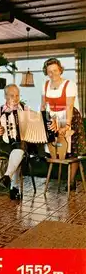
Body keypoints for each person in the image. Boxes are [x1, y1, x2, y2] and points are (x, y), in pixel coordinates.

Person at [41, 58, 86, 188]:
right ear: (46, 72)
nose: (52, 74)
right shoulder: (45, 85)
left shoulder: (69, 84)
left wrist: (66, 125)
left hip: (69, 117)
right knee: (56, 147)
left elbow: (69, 106)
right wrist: (46, 122)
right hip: (54, 117)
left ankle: (71, 181)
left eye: (55, 70)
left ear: (60, 70)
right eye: (49, 71)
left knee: (72, 150)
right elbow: (43, 107)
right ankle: (59, 178)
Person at [0, 84, 28, 200]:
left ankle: (7, 177)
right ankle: (14, 188)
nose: (15, 98)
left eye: (17, 95)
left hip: (22, 142)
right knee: (18, 152)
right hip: (4, 142)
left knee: (19, 148)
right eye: (12, 95)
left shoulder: (24, 109)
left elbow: (32, 125)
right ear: (5, 96)